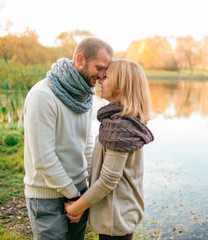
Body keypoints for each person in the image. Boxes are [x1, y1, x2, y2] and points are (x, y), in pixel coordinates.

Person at [24, 37, 114, 240]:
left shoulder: (85, 96)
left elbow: (87, 143)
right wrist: (74, 196)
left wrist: (87, 195)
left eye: (105, 71)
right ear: (80, 60)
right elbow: (44, 159)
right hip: (47, 197)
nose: (101, 77)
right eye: (98, 68)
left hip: (79, 193)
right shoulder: (43, 95)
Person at [64, 59, 154, 240]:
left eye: (106, 77)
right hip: (119, 213)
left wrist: (76, 207)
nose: (100, 80)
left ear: (120, 85)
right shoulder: (123, 120)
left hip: (116, 218)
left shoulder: (120, 127)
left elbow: (108, 180)